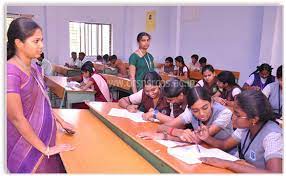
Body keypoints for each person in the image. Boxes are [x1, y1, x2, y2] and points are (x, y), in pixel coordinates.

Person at [7, 17, 75, 173]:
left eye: (42, 40)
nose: (41, 45)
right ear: (19, 43)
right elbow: (17, 119)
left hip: (46, 139)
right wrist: (46, 149)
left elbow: (44, 102)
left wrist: (62, 122)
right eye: (36, 41)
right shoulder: (10, 73)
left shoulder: (34, 69)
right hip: (27, 146)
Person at [197, 90, 282, 173]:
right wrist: (207, 137)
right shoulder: (246, 127)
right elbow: (225, 144)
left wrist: (227, 164)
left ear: (254, 119)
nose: (233, 117)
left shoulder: (272, 135)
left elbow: (275, 173)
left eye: (237, 114)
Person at [138, 87, 235, 154]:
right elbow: (161, 127)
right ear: (190, 108)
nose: (201, 113)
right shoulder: (189, 112)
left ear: (211, 102)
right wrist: (178, 132)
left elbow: (198, 139)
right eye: (195, 110)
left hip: (226, 155)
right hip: (203, 151)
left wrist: (164, 136)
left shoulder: (224, 113)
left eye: (205, 107)